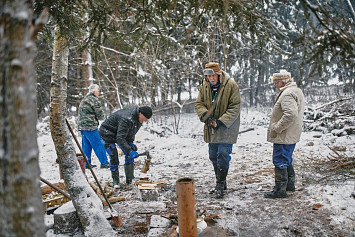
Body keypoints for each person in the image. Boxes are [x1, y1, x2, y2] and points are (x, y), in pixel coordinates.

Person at [195, 62, 241, 198]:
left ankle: (220, 184)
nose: (212, 79)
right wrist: (206, 117)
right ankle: (221, 181)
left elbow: (235, 106)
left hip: (227, 127)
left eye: (214, 75)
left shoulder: (231, 85)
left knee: (222, 155)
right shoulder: (204, 87)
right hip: (211, 127)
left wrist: (221, 121)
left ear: (219, 74)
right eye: (209, 76)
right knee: (213, 155)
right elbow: (199, 104)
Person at [264, 69, 305, 199]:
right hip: (290, 134)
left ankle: (280, 190)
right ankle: (289, 185)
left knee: (280, 159)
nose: (275, 85)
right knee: (286, 158)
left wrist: (277, 128)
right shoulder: (295, 91)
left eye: (276, 82)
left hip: (284, 135)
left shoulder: (287, 94)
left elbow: (290, 114)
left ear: (283, 82)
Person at [98, 106, 152, 188]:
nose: (146, 120)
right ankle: (115, 180)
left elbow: (131, 133)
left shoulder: (139, 120)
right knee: (113, 155)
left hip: (119, 133)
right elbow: (120, 138)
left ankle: (129, 178)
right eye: (145, 117)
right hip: (107, 133)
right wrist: (129, 150)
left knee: (129, 153)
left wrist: (130, 144)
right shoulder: (127, 119)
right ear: (140, 113)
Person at [78, 84, 109, 169]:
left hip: (82, 126)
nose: (98, 93)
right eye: (98, 91)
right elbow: (100, 115)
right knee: (98, 144)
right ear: (94, 91)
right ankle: (104, 163)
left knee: (86, 145)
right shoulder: (94, 100)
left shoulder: (84, 99)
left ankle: (86, 164)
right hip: (90, 126)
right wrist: (103, 117)